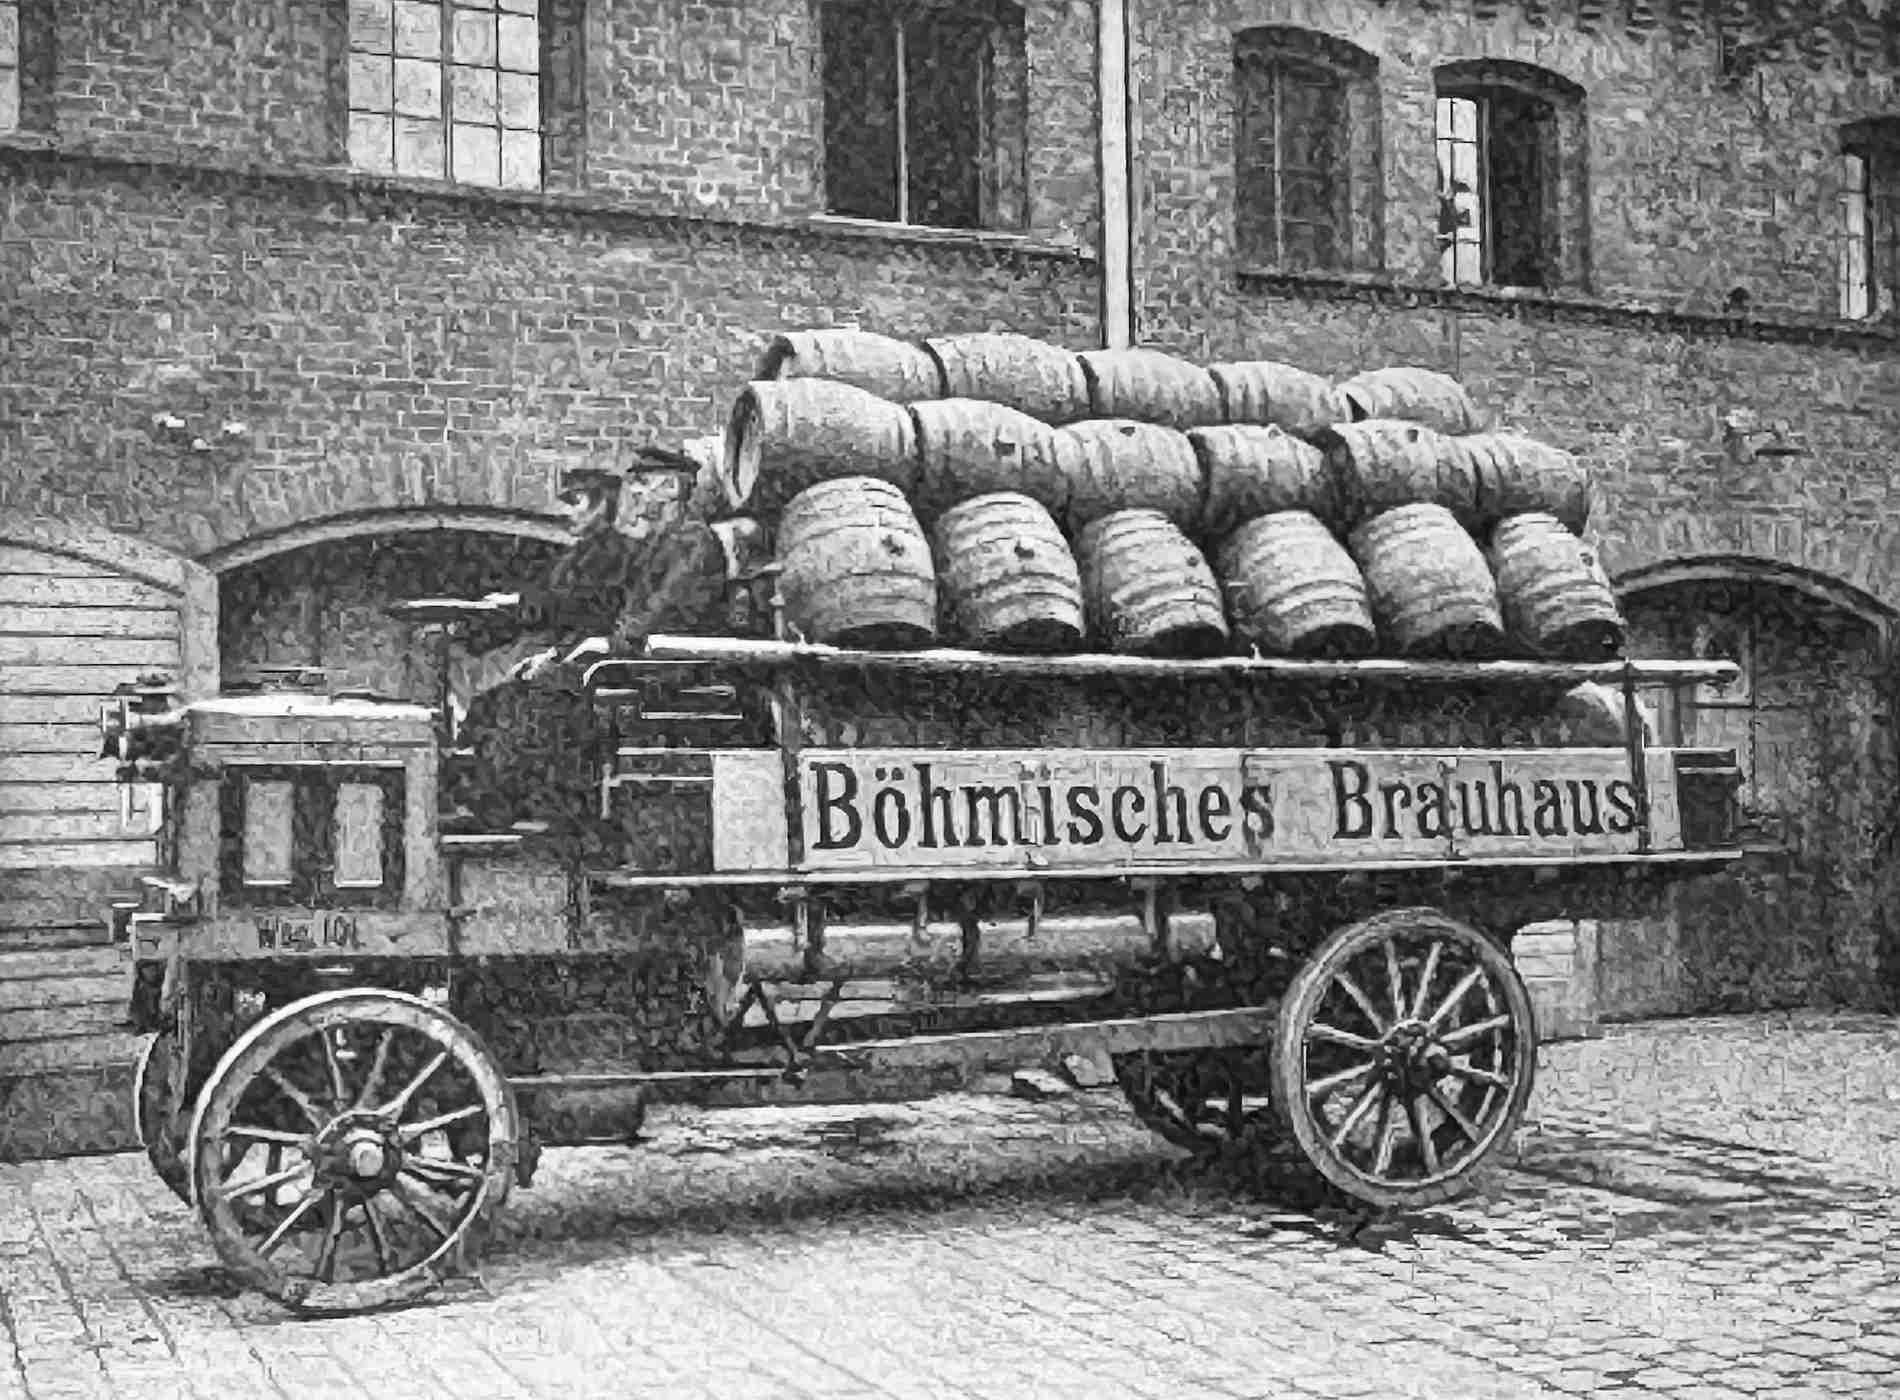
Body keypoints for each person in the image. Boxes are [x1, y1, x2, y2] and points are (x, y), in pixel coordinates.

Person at [449, 449, 738, 837]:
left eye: (641, 483)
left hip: (670, 669)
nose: (633, 493)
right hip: (641, 661)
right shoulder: (659, 543)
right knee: (507, 695)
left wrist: (607, 646)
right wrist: (561, 653)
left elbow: (662, 616)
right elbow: (619, 613)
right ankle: (503, 803)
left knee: (545, 697)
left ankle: (555, 811)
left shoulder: (693, 542)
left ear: (670, 488)